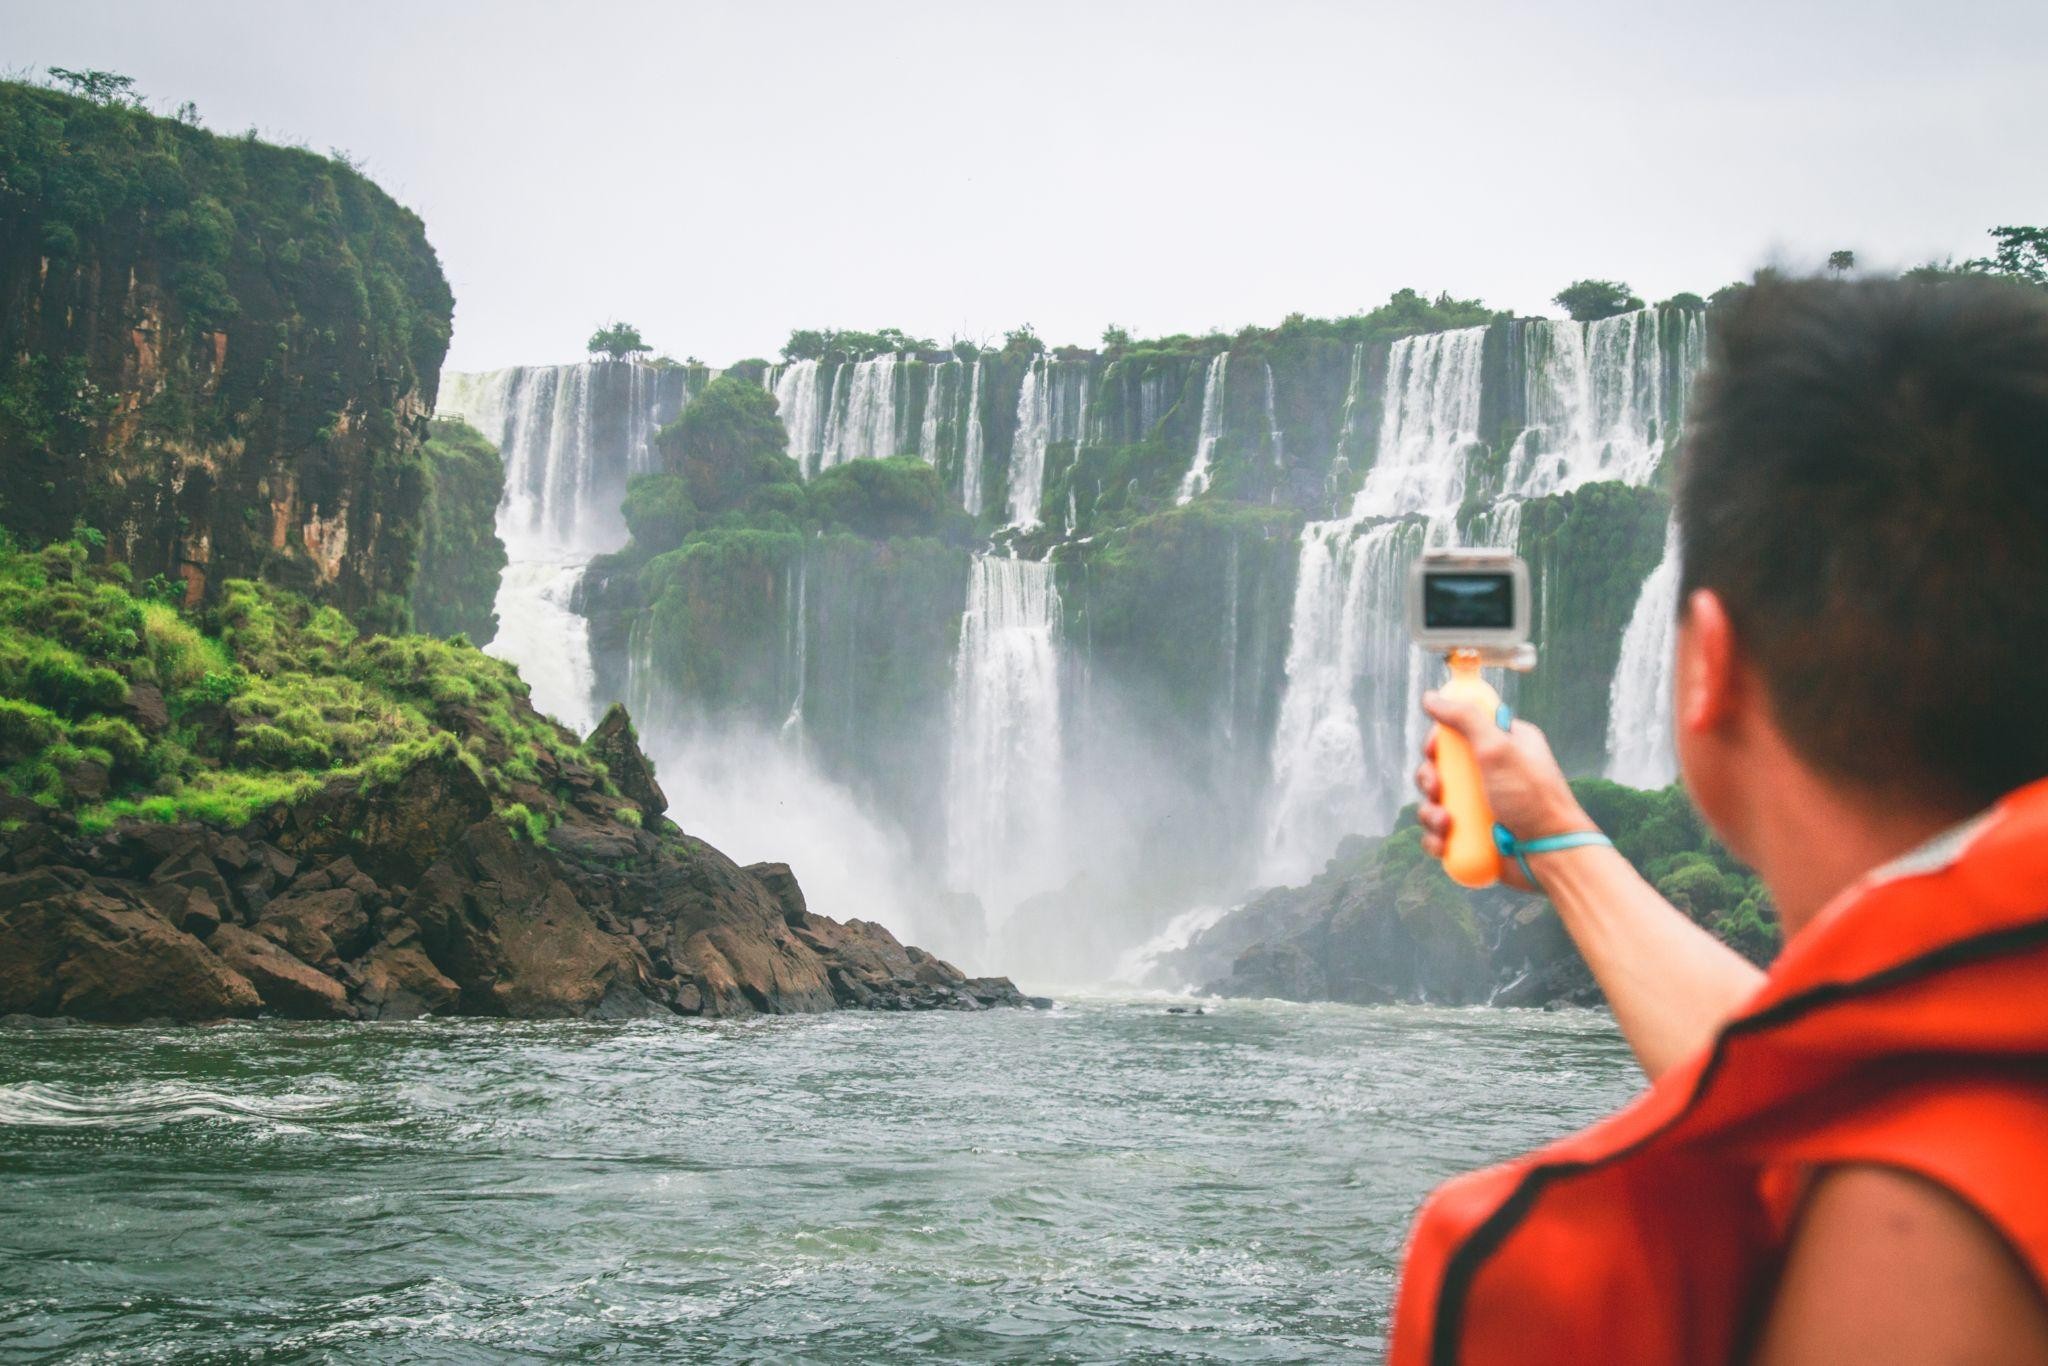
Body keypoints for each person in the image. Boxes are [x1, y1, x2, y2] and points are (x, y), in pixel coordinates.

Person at [1391, 278, 2048, 1364]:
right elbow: (1827, 1076)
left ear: (1705, 663)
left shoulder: (1914, 1235)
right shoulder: (1974, 1056)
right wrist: (1558, 840)